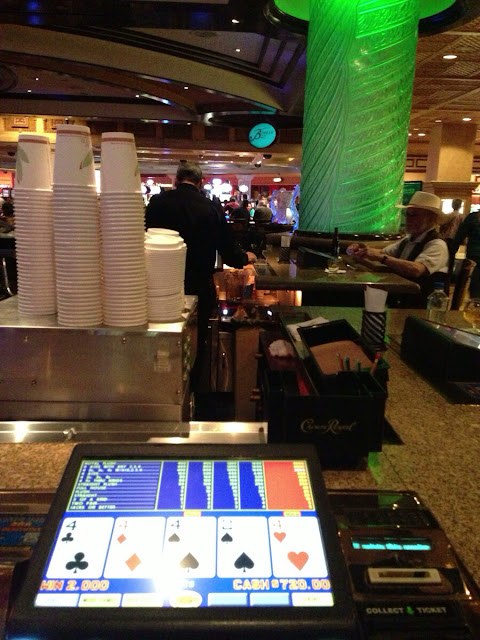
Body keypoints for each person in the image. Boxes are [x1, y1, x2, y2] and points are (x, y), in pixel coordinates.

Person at [144, 162, 256, 388]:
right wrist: (245, 257)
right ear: (201, 182)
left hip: (158, 285)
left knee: (159, 339)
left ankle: (159, 386)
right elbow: (228, 249)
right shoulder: (210, 207)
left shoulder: (157, 203)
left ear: (176, 179)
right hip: (198, 284)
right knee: (195, 342)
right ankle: (192, 387)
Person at [347, 191, 449, 307]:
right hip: (402, 298)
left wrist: (381, 258)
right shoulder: (408, 240)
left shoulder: (437, 244)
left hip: (420, 307)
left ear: (431, 218)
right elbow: (382, 252)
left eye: (414, 215)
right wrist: (360, 248)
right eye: (407, 214)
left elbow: (416, 270)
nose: (408, 219)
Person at [453, 209, 480, 298]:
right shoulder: (473, 218)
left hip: (473, 259)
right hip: (474, 260)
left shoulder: (473, 217)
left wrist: (451, 255)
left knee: (475, 290)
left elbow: (459, 237)